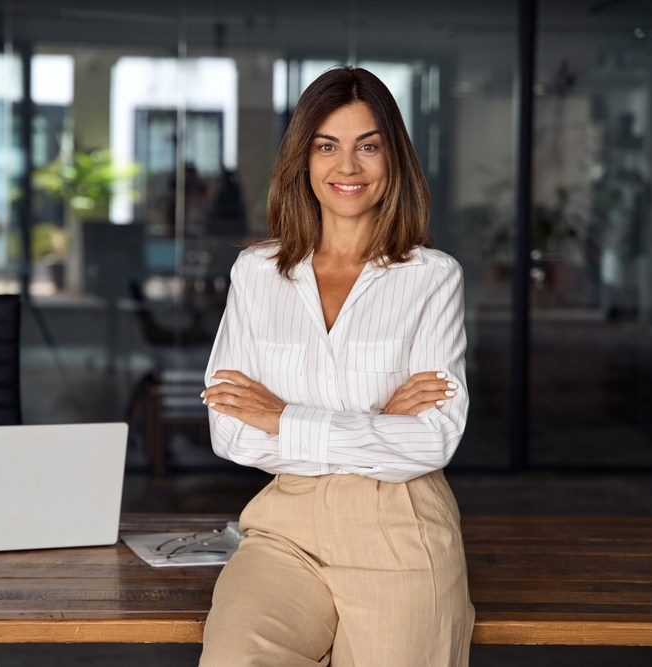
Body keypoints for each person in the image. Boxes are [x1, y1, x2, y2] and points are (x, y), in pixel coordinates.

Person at [198, 65, 474, 666]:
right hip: (284, 527)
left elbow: (433, 440)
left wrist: (283, 417)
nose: (347, 167)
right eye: (327, 146)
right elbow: (232, 431)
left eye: (367, 146)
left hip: (399, 527)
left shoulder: (432, 279)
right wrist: (377, 421)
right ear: (303, 159)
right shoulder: (256, 274)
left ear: (392, 159)